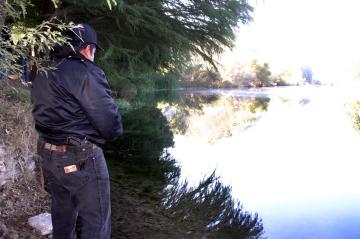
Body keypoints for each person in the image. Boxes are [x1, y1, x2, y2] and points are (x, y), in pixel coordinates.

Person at [31, 23, 123, 239]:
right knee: (97, 223)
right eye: (93, 50)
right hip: (80, 156)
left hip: (48, 152)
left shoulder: (44, 69)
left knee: (62, 215)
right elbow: (109, 121)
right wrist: (109, 136)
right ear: (86, 48)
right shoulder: (85, 71)